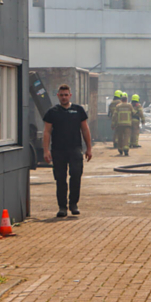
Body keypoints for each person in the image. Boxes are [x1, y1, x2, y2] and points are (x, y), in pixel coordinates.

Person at [43, 84, 92, 218]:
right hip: (58, 150)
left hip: (75, 149)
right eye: (61, 95)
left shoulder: (78, 110)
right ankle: (62, 207)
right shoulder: (52, 112)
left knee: (76, 175)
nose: (64, 97)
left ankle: (74, 204)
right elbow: (47, 132)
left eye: (66, 95)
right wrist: (46, 150)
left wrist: (89, 148)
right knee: (60, 179)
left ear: (70, 96)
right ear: (58, 96)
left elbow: (85, 129)